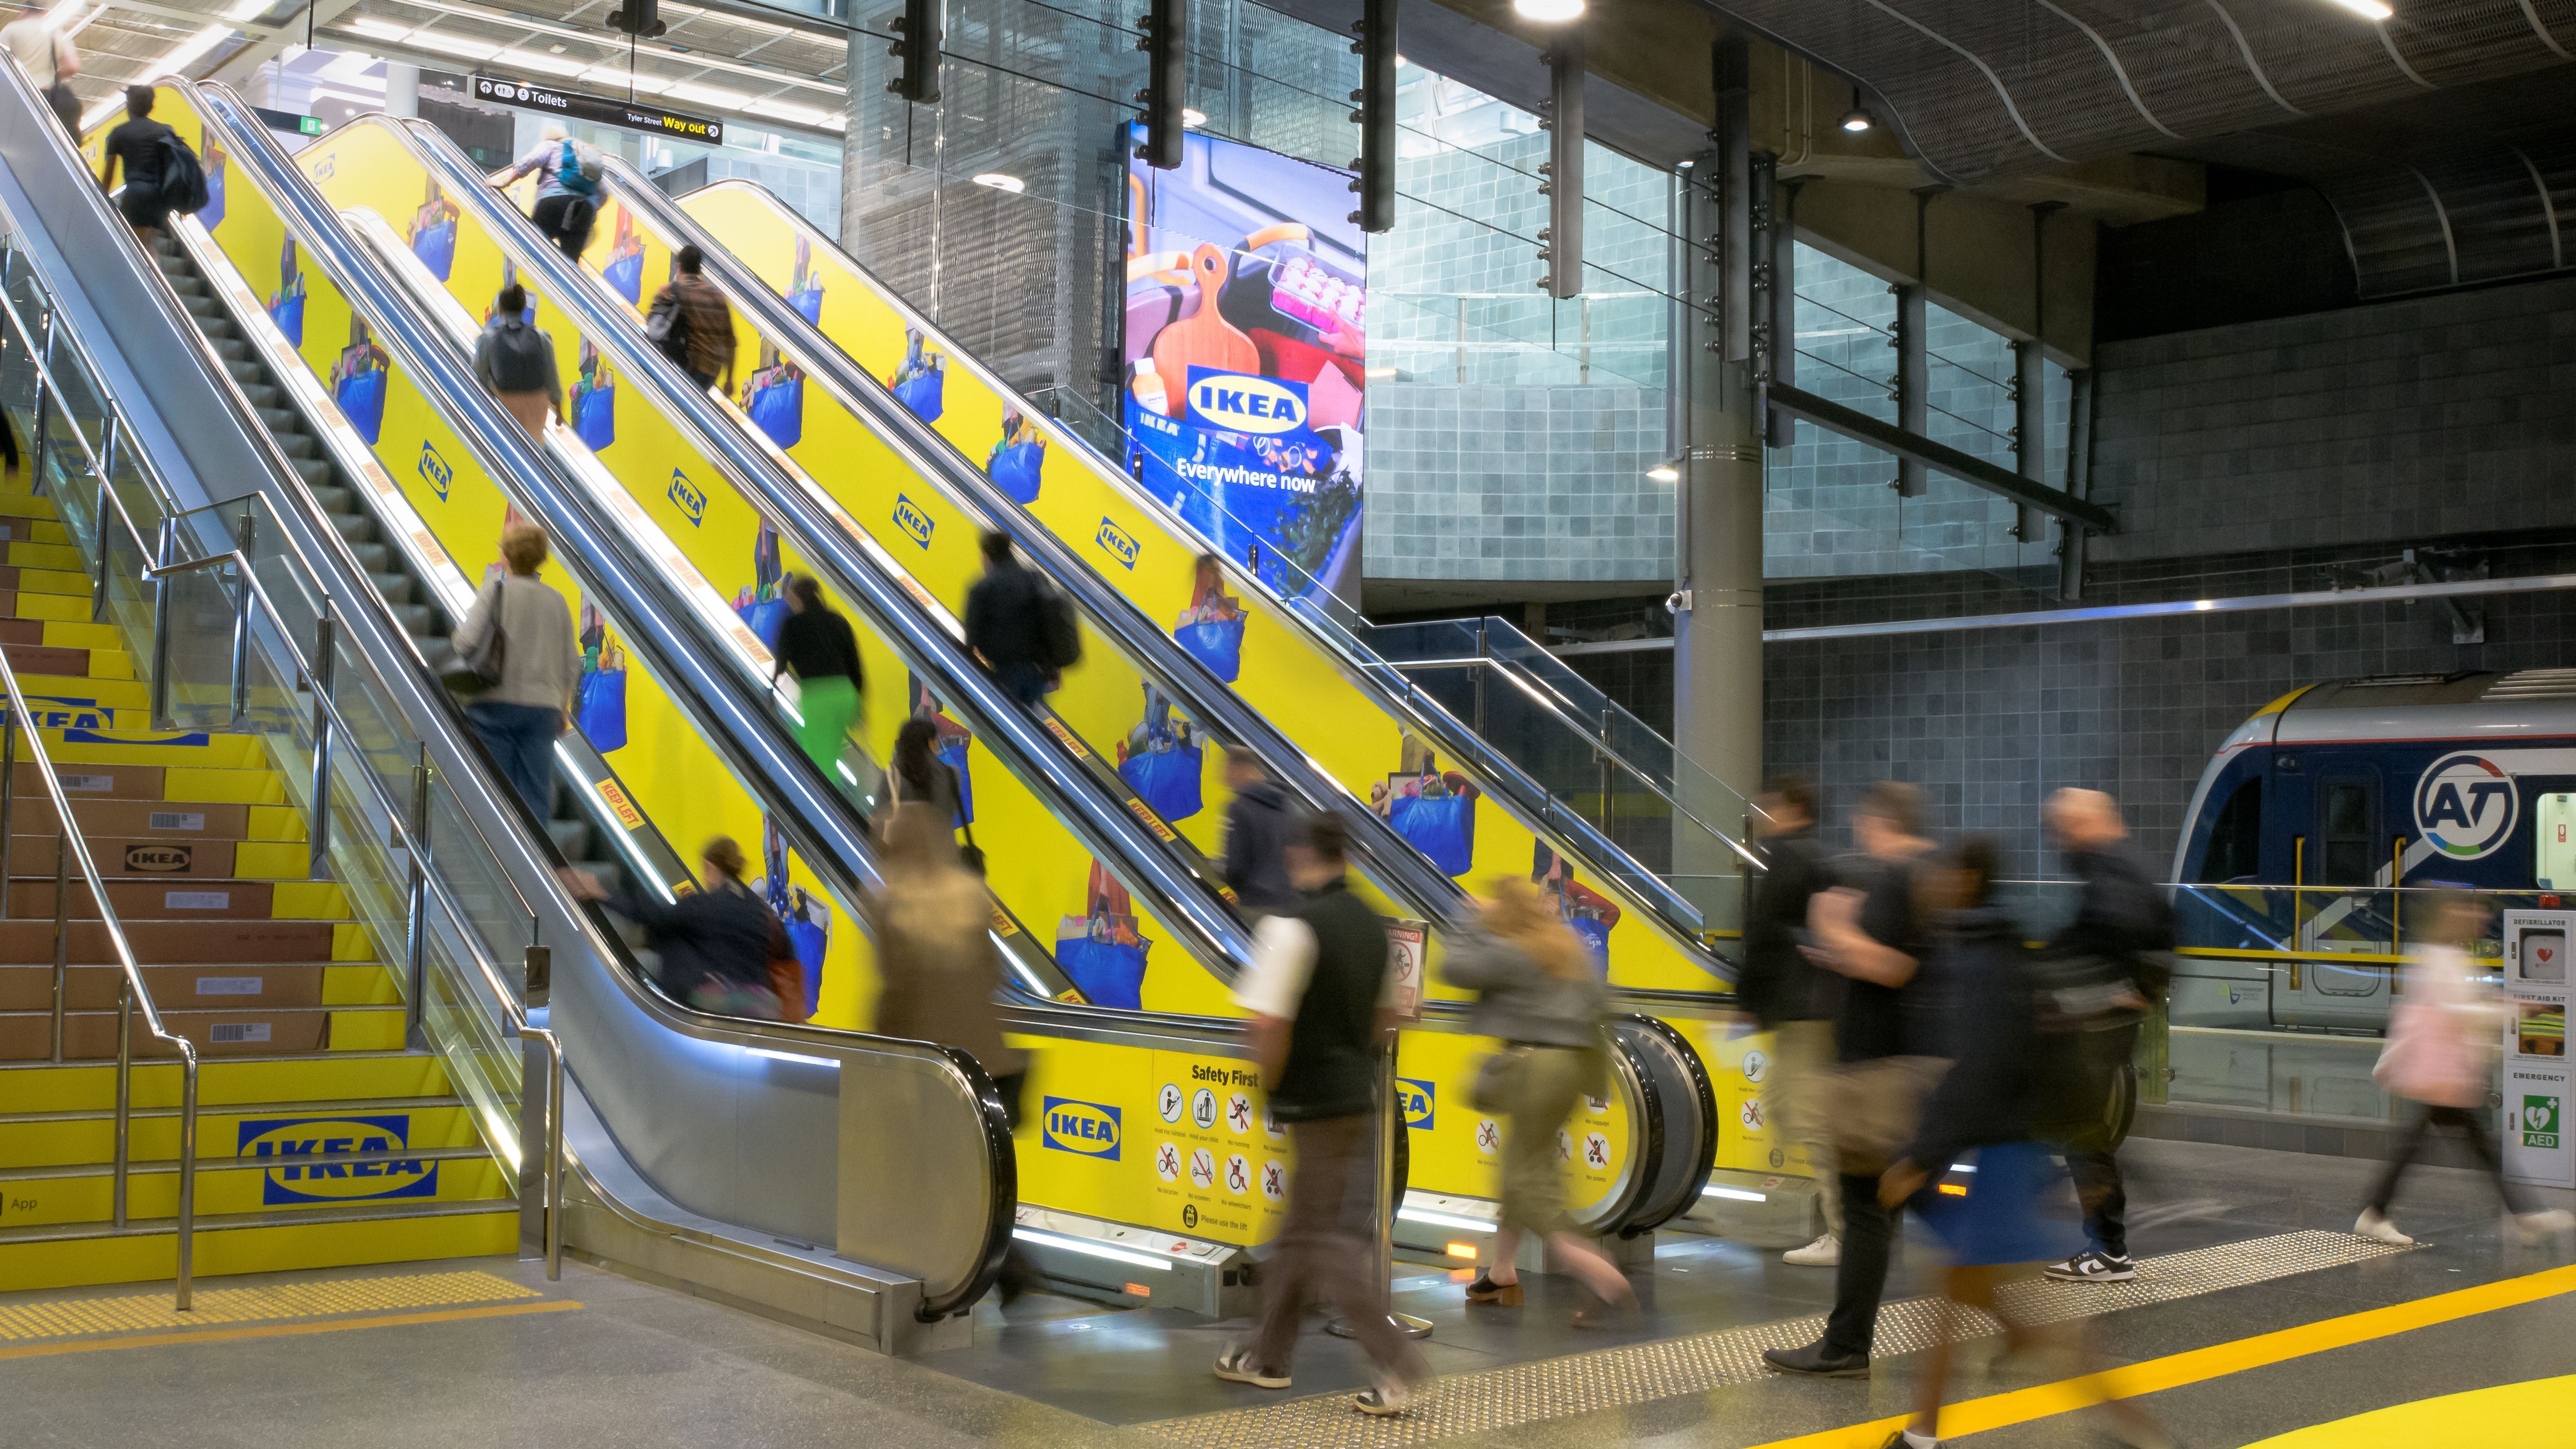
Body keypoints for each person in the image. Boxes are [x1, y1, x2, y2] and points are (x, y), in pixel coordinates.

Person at [1873, 838, 2171, 1449]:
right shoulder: (1998, 949)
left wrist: (1919, 1156)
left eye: (1941, 871)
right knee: (1960, 1291)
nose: (1928, 881)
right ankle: (1923, 1433)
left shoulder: (1981, 962)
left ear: (1965, 878)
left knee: (2010, 1313)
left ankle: (2144, 1435)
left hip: (1993, 1155)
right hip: (2004, 1150)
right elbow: (2045, 1052)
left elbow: (1977, 1070)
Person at [1214, 814, 1430, 1417]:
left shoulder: (1290, 929)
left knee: (1323, 1241)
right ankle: (1267, 1358)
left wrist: (1271, 1086)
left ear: (1298, 854)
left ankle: (1394, 1363)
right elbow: (1389, 1018)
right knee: (1301, 1232)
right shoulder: (1370, 926)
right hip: (1354, 1097)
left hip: (1311, 1101)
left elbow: (1266, 1025)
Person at [1764, 779, 1936, 1379]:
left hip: (1881, 1069)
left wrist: (1833, 929)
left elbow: (1890, 965)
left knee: (1866, 1205)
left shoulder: (1898, 876)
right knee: (1895, 1201)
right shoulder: (1927, 873)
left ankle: (1844, 1346)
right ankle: (1850, 1341)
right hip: (1907, 1063)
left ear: (1876, 820)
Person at [1444, 878, 1637, 1325]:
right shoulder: (1564, 945)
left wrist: (1469, 921)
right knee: (1529, 1165)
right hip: (1569, 1070)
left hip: (1534, 1068)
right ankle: (1502, 1269)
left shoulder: (1515, 950)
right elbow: (1599, 1007)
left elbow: (1456, 970)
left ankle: (1605, 1281)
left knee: (1528, 1184)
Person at [2359, 891, 2575, 1246]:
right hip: (2442, 1071)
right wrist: (2514, 1010)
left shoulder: (2447, 954)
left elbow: (2461, 1005)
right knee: (2466, 1145)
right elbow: (2456, 1011)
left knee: (2455, 1143)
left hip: (2447, 1072)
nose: (2478, 917)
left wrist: (2507, 1004)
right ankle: (2375, 1212)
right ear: (2445, 914)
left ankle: (2376, 1212)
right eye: (2467, 909)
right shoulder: (2438, 957)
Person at [2036, 788, 2175, 1285]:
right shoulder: (2128, 860)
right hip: (2108, 1018)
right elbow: (2162, 925)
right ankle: (2109, 1237)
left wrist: (2128, 988)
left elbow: (2117, 925)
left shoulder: (2108, 865)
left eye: (2064, 828)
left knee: (2084, 1133)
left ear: (2086, 823)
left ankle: (2109, 1246)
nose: (2060, 839)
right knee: (2085, 1128)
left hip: (2100, 1023)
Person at [1737, 775, 1843, 1267]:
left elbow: (1765, 933)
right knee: (1787, 1104)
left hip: (1802, 1006)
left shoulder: (1792, 856)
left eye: (1769, 804)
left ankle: (1844, 1229)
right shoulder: (1815, 855)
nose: (1761, 813)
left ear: (1792, 807)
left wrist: (1747, 996)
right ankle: (1843, 1218)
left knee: (1810, 1117)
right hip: (1809, 1006)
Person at [566, 836, 782, 1017]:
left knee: (672, 938)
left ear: (709, 867)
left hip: (716, 1003)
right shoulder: (757, 909)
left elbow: (657, 914)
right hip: (759, 1006)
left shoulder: (710, 905)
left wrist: (603, 893)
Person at [451, 523, 580, 821]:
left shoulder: (495, 592)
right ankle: (535, 863)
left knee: (495, 789)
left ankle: (496, 856)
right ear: (540, 558)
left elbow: (466, 642)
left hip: (497, 703)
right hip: (543, 710)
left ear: (506, 557)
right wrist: (562, 710)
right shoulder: (557, 600)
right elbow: (570, 664)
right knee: (536, 794)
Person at [772, 573, 863, 776]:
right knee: (830, 756)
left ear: (797, 598)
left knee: (817, 763)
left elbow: (780, 665)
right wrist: (859, 704)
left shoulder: (793, 624)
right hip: (845, 695)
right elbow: (855, 665)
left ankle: (822, 805)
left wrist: (769, 690)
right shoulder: (838, 621)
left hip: (819, 696)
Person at [962, 530, 1052, 708]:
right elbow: (1050, 623)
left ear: (986, 555)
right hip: (1036, 671)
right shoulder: (1035, 579)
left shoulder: (982, 589)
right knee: (1031, 728)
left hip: (1004, 673)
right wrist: (1053, 668)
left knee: (1005, 724)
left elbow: (971, 639)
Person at [471, 283, 563, 439]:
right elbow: (552, 378)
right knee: (531, 448)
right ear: (523, 309)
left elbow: (477, 377)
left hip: (504, 404)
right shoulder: (542, 338)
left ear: (500, 309)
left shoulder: (488, 339)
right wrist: (559, 411)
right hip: (536, 407)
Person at [498, 122, 600, 261]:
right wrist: (591, 209)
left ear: (548, 138)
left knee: (535, 250)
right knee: (571, 262)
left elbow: (530, 161)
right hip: (585, 208)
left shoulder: (550, 145)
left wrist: (506, 182)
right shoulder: (582, 153)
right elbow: (603, 192)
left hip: (553, 203)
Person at [646, 243, 736, 394]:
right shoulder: (718, 297)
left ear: (679, 267)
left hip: (687, 366)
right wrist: (729, 380)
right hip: (711, 373)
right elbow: (730, 342)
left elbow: (652, 326)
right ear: (699, 268)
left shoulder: (668, 291)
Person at [1219, 745, 1297, 915]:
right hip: (1286, 904)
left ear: (1240, 770)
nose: (1225, 777)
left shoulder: (1239, 807)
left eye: (1227, 769)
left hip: (1254, 903)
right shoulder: (1285, 805)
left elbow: (1236, 867)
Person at [98, 86, 176, 242]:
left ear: (129, 106)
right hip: (160, 197)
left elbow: (109, 175)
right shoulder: (165, 131)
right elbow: (173, 168)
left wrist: (99, 201)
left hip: (136, 195)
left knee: (137, 243)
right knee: (150, 242)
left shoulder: (118, 133)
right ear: (151, 107)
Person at [1, 0, 81, 135]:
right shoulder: (57, 33)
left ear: (25, 10)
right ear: (44, 13)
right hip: (45, 96)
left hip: (17, 92)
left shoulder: (12, 29)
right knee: (40, 134)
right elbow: (73, 66)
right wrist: (54, 77)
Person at [876, 716, 963, 829]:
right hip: (940, 844)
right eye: (936, 740)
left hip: (901, 844)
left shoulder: (891, 777)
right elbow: (952, 811)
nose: (938, 745)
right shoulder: (952, 774)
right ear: (930, 742)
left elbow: (880, 816)